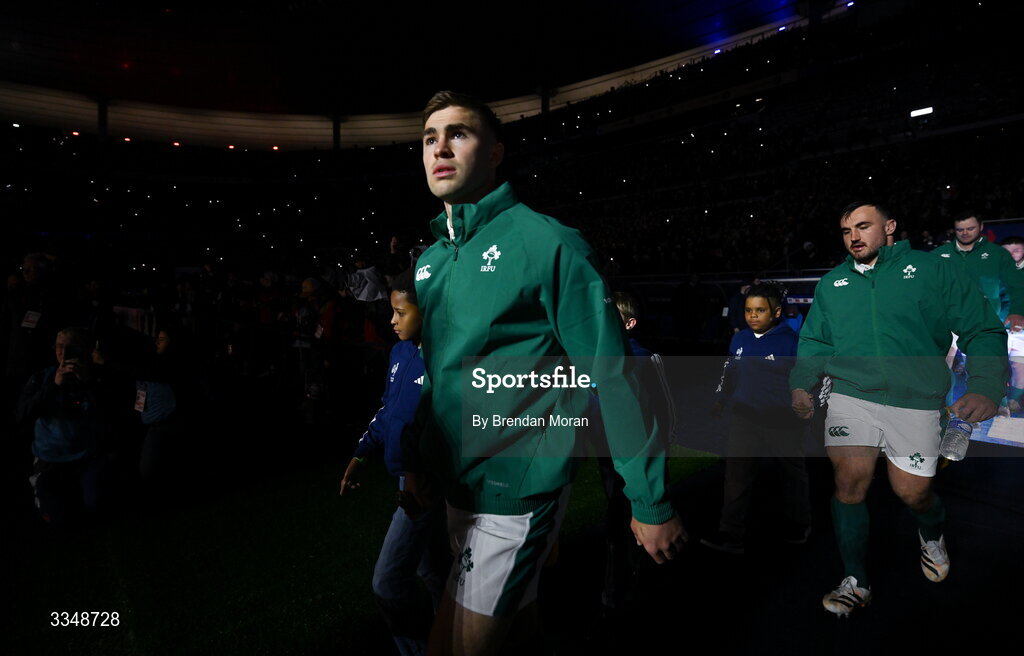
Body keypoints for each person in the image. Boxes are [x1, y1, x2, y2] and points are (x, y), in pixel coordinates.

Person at [404, 91, 686, 654]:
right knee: (519, 629)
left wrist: (648, 501)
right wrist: (420, 459)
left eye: (458, 133)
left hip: (518, 488)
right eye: (430, 138)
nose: (440, 147)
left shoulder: (547, 243)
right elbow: (438, 376)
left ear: (495, 153)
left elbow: (613, 375)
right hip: (458, 483)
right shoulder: (430, 261)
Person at [790, 202, 1007, 617]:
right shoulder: (833, 283)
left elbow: (982, 328)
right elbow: (816, 342)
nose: (853, 236)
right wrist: (801, 383)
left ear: (889, 227)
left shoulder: (933, 270)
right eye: (845, 230)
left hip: (916, 401)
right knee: (849, 483)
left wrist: (985, 386)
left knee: (913, 492)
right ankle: (857, 581)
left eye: (863, 226)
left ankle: (931, 533)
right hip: (850, 396)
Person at [338, 268, 448, 656]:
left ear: (427, 310)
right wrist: (361, 453)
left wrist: (423, 473)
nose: (392, 320)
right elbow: (387, 411)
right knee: (434, 572)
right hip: (408, 479)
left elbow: (451, 428)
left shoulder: (447, 357)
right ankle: (450, 638)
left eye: (401, 313)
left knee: (387, 581)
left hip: (430, 485)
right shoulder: (400, 351)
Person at [703, 282, 811, 555]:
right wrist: (720, 399)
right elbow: (729, 372)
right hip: (745, 417)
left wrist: (808, 404)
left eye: (760, 310)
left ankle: (799, 524)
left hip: (783, 420)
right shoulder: (739, 339)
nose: (752, 316)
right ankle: (731, 533)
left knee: (792, 475)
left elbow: (808, 378)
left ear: (775, 312)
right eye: (749, 310)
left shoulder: (791, 341)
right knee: (736, 477)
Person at [17, 326, 112, 527]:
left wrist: (88, 383)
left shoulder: (95, 377)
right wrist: (54, 385)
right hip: (50, 458)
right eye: (59, 347)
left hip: (87, 457)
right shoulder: (42, 377)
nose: (64, 353)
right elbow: (23, 415)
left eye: (71, 348)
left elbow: (112, 411)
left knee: (97, 508)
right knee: (57, 519)